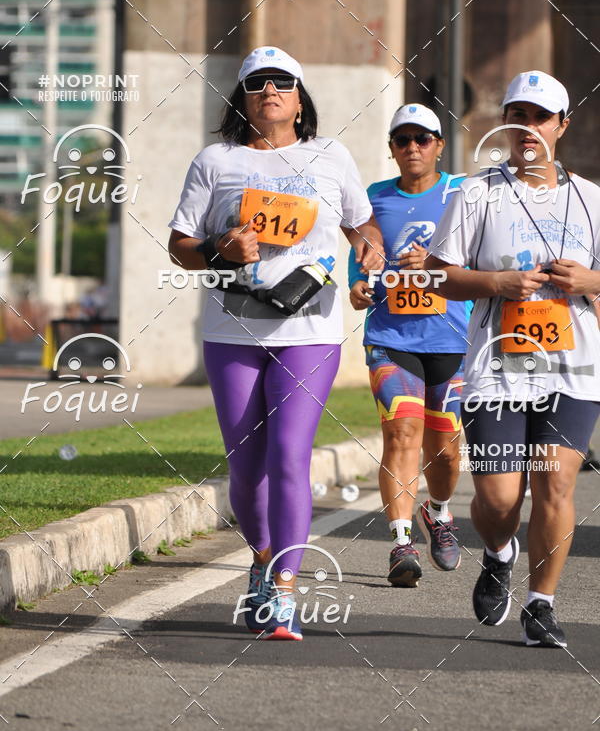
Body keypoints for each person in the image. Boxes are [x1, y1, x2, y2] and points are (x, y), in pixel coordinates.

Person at [168, 46, 383, 641]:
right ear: (242, 97)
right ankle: (262, 557)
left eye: (282, 82)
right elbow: (179, 246)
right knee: (245, 465)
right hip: (231, 328)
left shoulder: (329, 155)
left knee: (290, 454)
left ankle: (285, 588)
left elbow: (362, 223)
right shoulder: (216, 161)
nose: (270, 90)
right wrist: (220, 251)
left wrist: (370, 245)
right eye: (257, 83)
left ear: (299, 95)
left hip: (308, 328)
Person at [427, 70, 600, 647]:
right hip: (496, 368)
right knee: (499, 499)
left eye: (540, 118)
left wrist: (590, 277)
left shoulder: (592, 199)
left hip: (571, 367)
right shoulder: (476, 193)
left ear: (562, 126)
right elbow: (437, 273)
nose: (529, 128)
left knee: (555, 484)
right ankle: (500, 552)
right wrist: (495, 281)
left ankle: (541, 605)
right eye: (518, 116)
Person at [348, 104, 470, 587]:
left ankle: (437, 512)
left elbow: (482, 256)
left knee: (446, 451)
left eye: (423, 138)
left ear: (440, 145)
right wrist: (359, 287)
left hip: (451, 340)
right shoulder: (372, 199)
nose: (413, 147)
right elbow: (362, 266)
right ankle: (401, 544)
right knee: (401, 433)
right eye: (403, 140)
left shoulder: (464, 193)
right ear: (392, 148)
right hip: (390, 338)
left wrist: (435, 264)